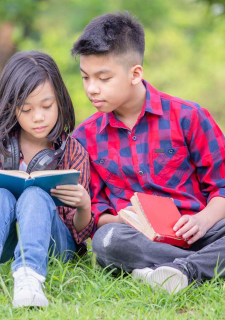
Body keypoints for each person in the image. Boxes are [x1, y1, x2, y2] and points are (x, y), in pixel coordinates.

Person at [72, 11, 225, 294]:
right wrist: (119, 219)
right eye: (85, 77)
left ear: (135, 73)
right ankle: (197, 268)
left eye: (103, 78)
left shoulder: (188, 117)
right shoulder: (84, 138)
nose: (91, 89)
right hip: (136, 239)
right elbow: (94, 215)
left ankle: (180, 271)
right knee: (107, 240)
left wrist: (202, 220)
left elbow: (222, 187)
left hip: (199, 232)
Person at [0, 51, 94, 307]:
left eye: (46, 106)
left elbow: (79, 232)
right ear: (10, 107)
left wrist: (84, 205)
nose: (38, 117)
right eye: (26, 109)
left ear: (60, 101)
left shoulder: (74, 152)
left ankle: (30, 279)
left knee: (34, 195)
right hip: (2, 245)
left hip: (55, 247)